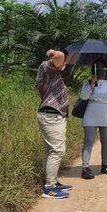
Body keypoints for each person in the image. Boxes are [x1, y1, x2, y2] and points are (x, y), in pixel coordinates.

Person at [36, 49, 73, 199]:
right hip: (51, 115)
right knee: (57, 150)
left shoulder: (52, 72)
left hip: (52, 115)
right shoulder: (47, 67)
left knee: (50, 150)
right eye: (66, 61)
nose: (65, 64)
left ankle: (51, 181)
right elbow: (59, 56)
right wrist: (54, 53)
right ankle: (49, 188)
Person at [79, 61, 107, 180]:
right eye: (98, 67)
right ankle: (85, 167)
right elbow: (84, 97)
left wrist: (93, 98)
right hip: (90, 115)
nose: (101, 70)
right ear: (94, 69)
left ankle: (105, 165)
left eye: (104, 67)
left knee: (105, 141)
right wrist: (92, 84)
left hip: (106, 115)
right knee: (88, 141)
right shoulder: (88, 82)